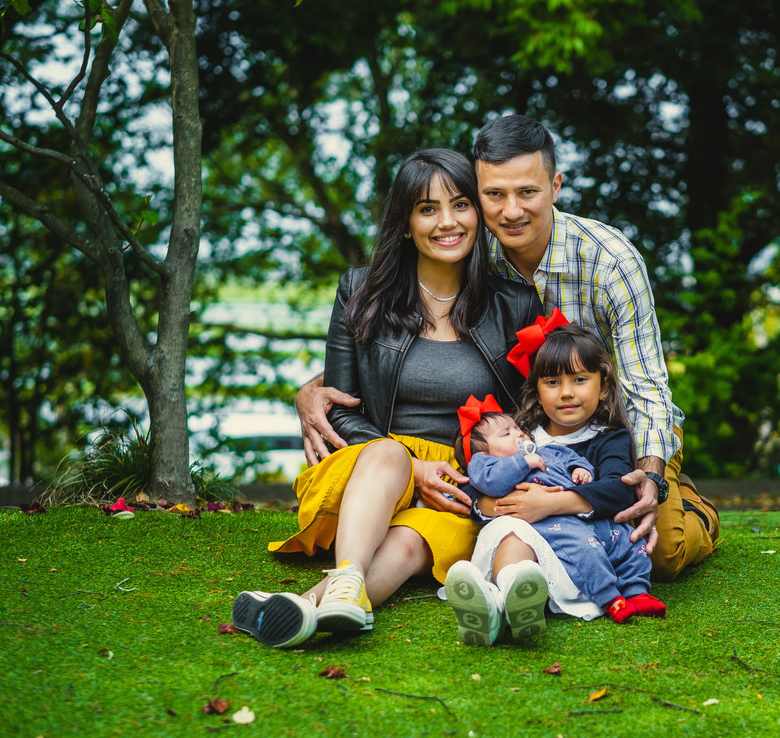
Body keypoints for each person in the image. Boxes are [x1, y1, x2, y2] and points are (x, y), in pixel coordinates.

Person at [297, 116, 719, 582]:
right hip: (528, 437)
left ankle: (695, 509)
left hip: (615, 421)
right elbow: (395, 352)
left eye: (527, 192)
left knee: (658, 550)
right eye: (494, 194)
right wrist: (315, 387)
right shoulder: (469, 244)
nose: (511, 211)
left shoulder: (610, 261)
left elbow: (646, 388)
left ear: (555, 187)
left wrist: (651, 474)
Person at [230, 147, 543, 648]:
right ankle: (341, 582)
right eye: (427, 209)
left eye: (461, 204)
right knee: (390, 455)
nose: (447, 222)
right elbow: (339, 406)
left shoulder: (515, 303)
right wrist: (412, 469)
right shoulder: (360, 292)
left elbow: (530, 410)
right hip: (370, 464)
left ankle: (307, 610)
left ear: (478, 215)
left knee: (411, 546)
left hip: (460, 483)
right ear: (405, 224)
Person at [445, 324, 665, 645]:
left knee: (522, 533)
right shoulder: (519, 436)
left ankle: (510, 602)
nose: (566, 392)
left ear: (603, 387)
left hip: (581, 554)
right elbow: (472, 484)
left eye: (579, 380)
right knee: (513, 532)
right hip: (526, 547)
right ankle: (503, 599)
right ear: (537, 391)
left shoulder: (608, 438)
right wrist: (504, 506)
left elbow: (619, 489)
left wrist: (550, 504)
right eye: (552, 382)